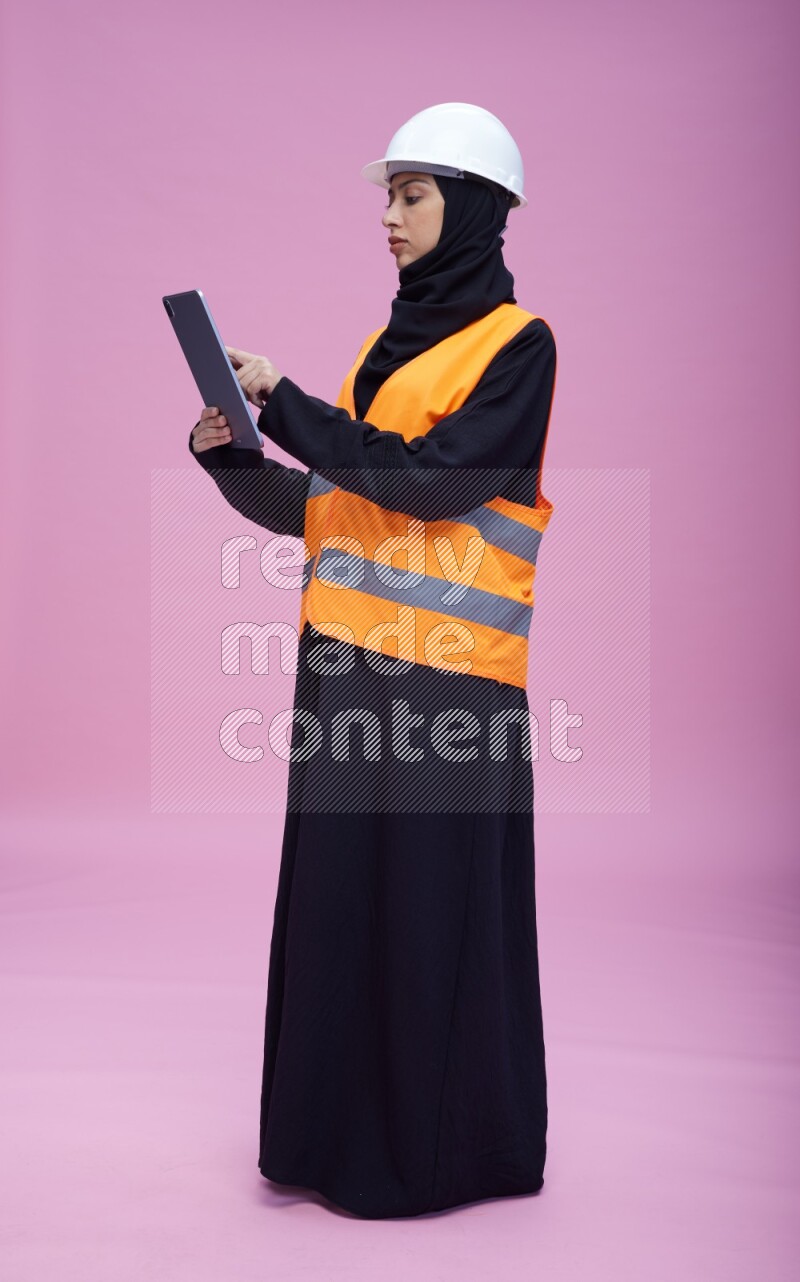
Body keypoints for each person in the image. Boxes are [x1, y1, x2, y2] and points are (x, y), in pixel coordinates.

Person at [189, 102, 558, 1219]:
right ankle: (326, 1138)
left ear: (477, 209)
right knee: (344, 909)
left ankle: (441, 1158)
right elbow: (343, 507)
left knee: (428, 919)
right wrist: (232, 459)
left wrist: (285, 401)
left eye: (412, 194)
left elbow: (435, 482)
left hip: (449, 684)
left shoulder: (518, 346)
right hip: (344, 673)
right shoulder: (378, 354)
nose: (389, 219)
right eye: (385, 197)